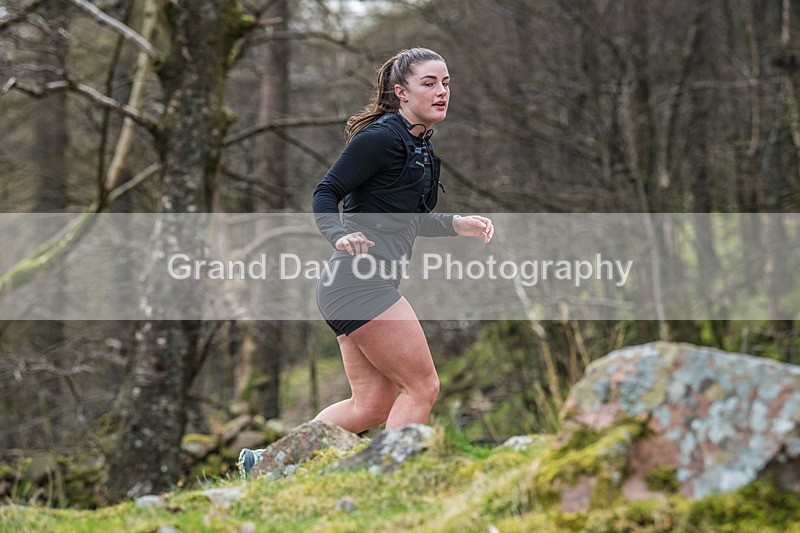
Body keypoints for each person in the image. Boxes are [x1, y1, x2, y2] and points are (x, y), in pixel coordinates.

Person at [239, 48, 493, 478]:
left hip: (348, 289)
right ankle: (394, 479)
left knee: (369, 406)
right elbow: (325, 192)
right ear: (401, 92)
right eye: (429, 83)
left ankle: (265, 464)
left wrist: (457, 224)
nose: (442, 91)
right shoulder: (381, 138)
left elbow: (407, 219)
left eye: (446, 83)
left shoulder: (420, 146)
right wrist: (339, 235)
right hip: (361, 284)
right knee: (423, 386)